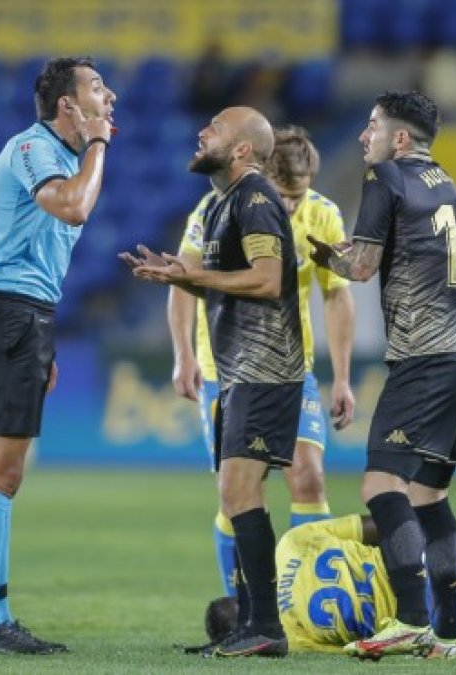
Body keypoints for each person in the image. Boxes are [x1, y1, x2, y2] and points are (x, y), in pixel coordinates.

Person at [121, 106, 304, 658]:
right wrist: (184, 278)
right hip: (241, 372)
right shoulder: (224, 203)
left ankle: (266, 627)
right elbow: (233, 284)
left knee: (240, 492)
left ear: (244, 149)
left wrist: (193, 274)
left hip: (267, 369)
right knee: (236, 494)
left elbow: (269, 280)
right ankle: (250, 623)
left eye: (217, 128)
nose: (202, 131)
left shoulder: (254, 200)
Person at [309, 90, 456, 661]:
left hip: (424, 359)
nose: (365, 137)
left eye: (374, 126)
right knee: (429, 497)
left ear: (399, 140)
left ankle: (409, 618)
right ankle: (451, 633)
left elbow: (360, 267)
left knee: (380, 486)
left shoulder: (385, 176)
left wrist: (325, 258)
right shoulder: (447, 184)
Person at [0, 56, 115, 655]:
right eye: (97, 88)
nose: (110, 97)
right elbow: (72, 207)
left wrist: (41, 339)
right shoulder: (33, 148)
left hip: (25, 317)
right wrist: (99, 147)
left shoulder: (66, 157)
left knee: (8, 471)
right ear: (67, 106)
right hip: (6, 314)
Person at [168, 125, 355, 598]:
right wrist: (184, 354)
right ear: (262, 176)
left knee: (309, 478)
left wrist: (343, 379)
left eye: (300, 195)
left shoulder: (323, 215)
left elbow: (338, 297)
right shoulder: (215, 209)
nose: (291, 207)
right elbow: (183, 278)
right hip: (225, 373)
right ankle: (241, 607)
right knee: (236, 496)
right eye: (284, 195)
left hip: (293, 371)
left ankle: (308, 600)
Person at [198, 515, 456, 656]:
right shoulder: (292, 544)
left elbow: (355, 646)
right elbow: (378, 524)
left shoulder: (290, 639)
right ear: (245, 594)